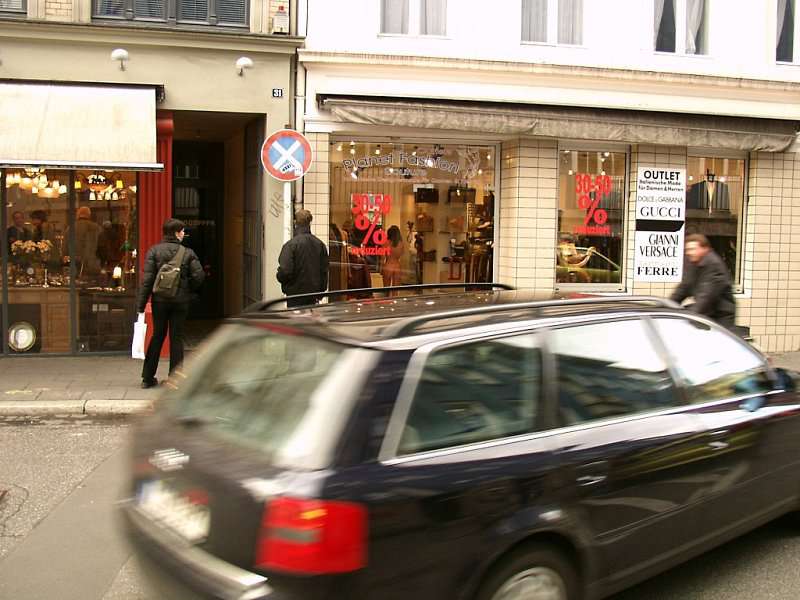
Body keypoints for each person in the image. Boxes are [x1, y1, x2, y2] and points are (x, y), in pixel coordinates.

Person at [137, 218, 205, 388]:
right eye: (182, 231)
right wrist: (187, 289)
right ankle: (175, 379)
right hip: (180, 301)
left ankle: (147, 378)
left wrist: (141, 305)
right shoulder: (187, 253)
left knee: (157, 336)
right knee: (176, 337)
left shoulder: (154, 251)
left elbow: (147, 281)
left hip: (159, 301)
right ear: (176, 233)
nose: (183, 234)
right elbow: (199, 276)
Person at [670, 233, 736, 330]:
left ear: (705, 249)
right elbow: (684, 288)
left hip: (720, 317)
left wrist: (689, 318)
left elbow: (705, 297)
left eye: (692, 249)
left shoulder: (714, 265)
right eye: (687, 250)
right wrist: (666, 306)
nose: (688, 253)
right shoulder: (694, 262)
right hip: (707, 314)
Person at [276, 209, 329, 308]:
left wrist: (281, 279)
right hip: (314, 297)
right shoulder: (320, 245)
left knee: (295, 318)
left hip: (295, 297)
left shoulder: (290, 245)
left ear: (295, 223)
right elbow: (324, 271)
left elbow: (285, 271)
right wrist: (321, 292)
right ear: (310, 223)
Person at [74, 206, 101, 275]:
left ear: (78, 215)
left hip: (75, 265)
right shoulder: (96, 228)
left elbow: (65, 249)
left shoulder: (70, 228)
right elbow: (101, 246)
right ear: (89, 215)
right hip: (93, 265)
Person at [382, 225, 405, 289]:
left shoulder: (385, 243)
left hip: (388, 266)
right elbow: (402, 254)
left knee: (386, 290)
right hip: (397, 266)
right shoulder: (401, 244)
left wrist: (381, 267)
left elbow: (382, 257)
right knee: (395, 290)